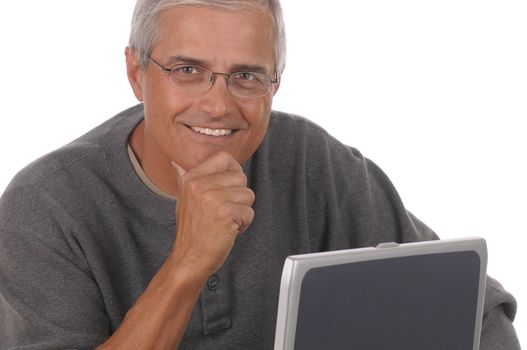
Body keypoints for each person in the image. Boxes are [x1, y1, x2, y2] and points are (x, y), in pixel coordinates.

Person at [0, 0, 520, 349]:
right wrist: (187, 264)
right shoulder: (45, 205)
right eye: (187, 70)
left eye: (246, 76)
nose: (219, 105)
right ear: (137, 74)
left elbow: (473, 305)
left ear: (276, 83)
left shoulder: (312, 162)